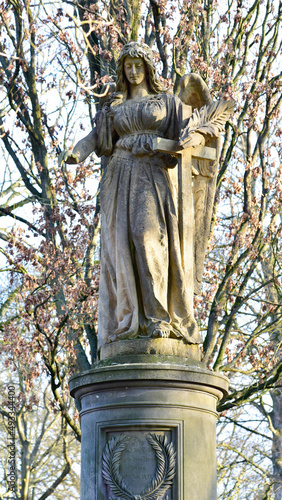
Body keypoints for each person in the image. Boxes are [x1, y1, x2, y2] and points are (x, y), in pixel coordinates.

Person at [59, 42, 205, 355]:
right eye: (128, 66)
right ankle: (131, 319)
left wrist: (182, 139)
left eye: (139, 65)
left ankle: (158, 317)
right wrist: (76, 153)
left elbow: (191, 134)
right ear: (122, 70)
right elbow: (96, 139)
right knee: (121, 246)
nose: (134, 71)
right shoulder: (114, 107)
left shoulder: (166, 101)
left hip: (151, 174)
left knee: (146, 236)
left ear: (149, 68)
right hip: (121, 174)